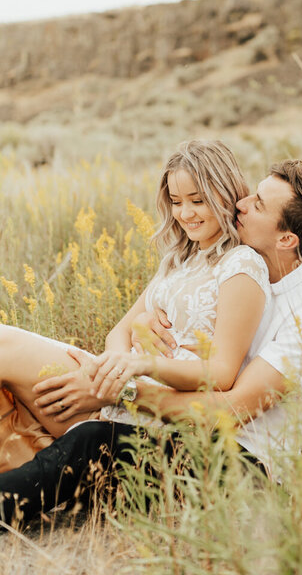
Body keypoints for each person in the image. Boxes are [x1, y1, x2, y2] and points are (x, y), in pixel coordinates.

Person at [0, 159, 302, 528]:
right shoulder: (228, 255)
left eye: (259, 204)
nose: (242, 203)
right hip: (159, 405)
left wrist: (120, 392)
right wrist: (141, 327)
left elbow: (228, 412)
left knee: (93, 442)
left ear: (286, 239)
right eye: (252, 194)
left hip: (234, 461)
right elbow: (149, 320)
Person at [0, 139, 270, 473]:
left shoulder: (240, 263)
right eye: (176, 201)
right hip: (116, 385)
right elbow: (119, 332)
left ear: (226, 193)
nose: (185, 213)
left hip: (151, 408)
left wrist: (129, 377)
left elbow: (222, 373)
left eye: (197, 201)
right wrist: (112, 368)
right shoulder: (181, 258)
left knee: (4, 347)